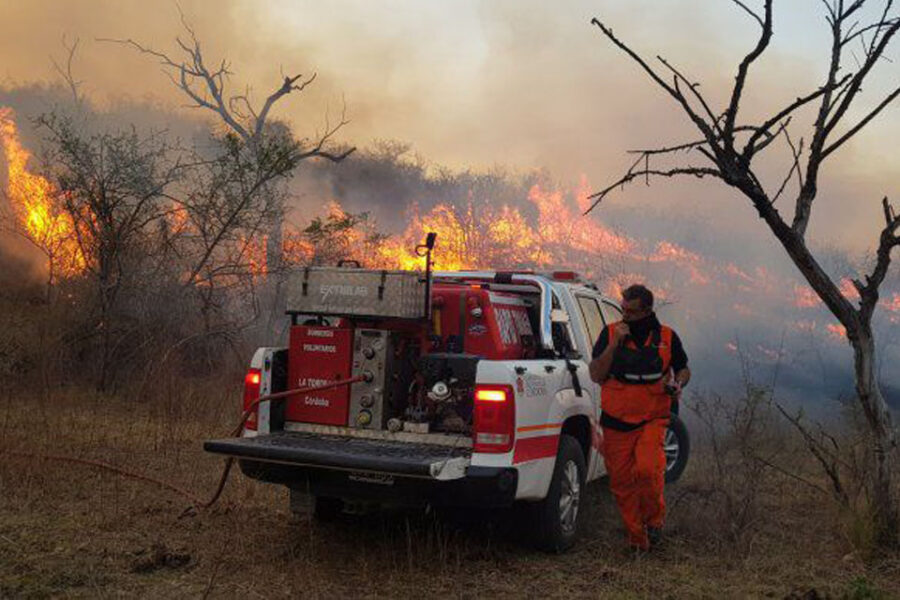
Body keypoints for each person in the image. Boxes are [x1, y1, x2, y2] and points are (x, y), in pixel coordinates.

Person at [589, 284, 690, 552]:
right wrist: (614, 345)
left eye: (631, 312)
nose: (625, 316)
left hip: (652, 419)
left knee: (649, 471)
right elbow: (596, 375)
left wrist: (679, 383)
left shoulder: (668, 337)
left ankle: (654, 522)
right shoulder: (610, 333)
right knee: (621, 484)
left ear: (646, 310)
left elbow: (683, 368)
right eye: (623, 309)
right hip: (615, 422)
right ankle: (638, 540)